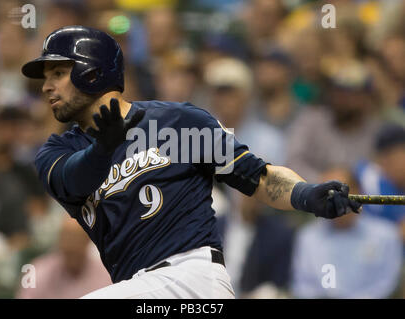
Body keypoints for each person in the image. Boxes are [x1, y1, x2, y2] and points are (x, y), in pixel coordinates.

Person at [21, 26, 362, 299]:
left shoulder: (177, 122)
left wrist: (306, 193)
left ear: (90, 72)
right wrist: (103, 150)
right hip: (139, 288)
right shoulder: (56, 152)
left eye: (57, 73)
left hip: (192, 281)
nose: (46, 87)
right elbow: (74, 180)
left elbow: (257, 178)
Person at [291, 167, 403, 299]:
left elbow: (389, 284)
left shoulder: (385, 235)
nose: (334, 201)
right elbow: (303, 287)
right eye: (326, 196)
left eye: (340, 193)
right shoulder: (307, 238)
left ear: (359, 192)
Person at [16, 216, 112, 299]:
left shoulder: (106, 273)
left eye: (77, 239)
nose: (71, 246)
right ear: (59, 241)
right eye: (67, 239)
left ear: (88, 241)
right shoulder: (37, 271)